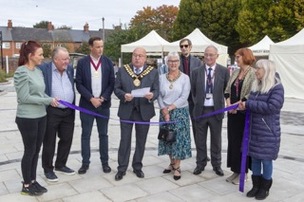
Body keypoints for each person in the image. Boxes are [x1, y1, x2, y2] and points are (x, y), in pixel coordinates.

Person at [14, 41, 58, 195]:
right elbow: (24, 97)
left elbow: (40, 94)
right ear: (30, 56)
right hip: (27, 118)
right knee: (29, 150)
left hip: (41, 116)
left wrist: (51, 98)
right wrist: (47, 100)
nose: (42, 57)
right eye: (40, 54)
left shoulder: (38, 72)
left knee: (36, 150)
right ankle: (26, 185)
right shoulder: (21, 72)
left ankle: (32, 180)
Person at [239, 59, 284, 200]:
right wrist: (243, 107)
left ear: (267, 70)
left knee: (266, 160)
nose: (256, 71)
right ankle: (256, 186)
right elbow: (251, 107)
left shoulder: (277, 87)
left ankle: (265, 188)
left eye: (259, 68)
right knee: (255, 159)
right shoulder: (256, 85)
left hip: (268, 131)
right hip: (254, 130)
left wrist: (249, 103)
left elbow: (272, 107)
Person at [114, 47, 159, 181]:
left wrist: (152, 96)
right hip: (126, 110)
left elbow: (157, 90)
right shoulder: (123, 70)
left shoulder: (153, 72)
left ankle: (137, 166)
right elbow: (116, 88)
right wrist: (123, 95)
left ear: (145, 58)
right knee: (124, 140)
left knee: (141, 141)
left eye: (140, 56)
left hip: (144, 112)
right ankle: (121, 168)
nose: (137, 58)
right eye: (135, 55)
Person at [75, 37, 115, 174]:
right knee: (86, 135)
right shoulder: (82, 63)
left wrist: (103, 98)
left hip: (103, 105)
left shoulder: (108, 62)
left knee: (103, 134)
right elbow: (78, 83)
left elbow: (111, 83)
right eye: (97, 47)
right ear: (91, 47)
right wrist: (91, 98)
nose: (100, 49)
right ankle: (85, 163)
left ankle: (105, 162)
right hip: (87, 105)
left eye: (102, 46)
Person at [190, 45, 230, 176]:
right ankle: (200, 164)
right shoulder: (196, 71)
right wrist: (198, 103)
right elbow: (193, 91)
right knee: (200, 139)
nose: (208, 57)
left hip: (216, 111)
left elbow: (226, 90)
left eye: (211, 55)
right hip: (200, 111)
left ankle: (216, 164)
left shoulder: (224, 71)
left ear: (217, 56)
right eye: (206, 54)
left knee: (216, 140)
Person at [39, 47, 75, 182]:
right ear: (55, 59)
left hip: (68, 111)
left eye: (68, 58)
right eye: (64, 59)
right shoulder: (44, 69)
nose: (67, 62)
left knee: (67, 138)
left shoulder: (69, 69)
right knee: (49, 141)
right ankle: (48, 169)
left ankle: (61, 164)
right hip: (51, 111)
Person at [157, 52, 192, 180]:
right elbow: (159, 95)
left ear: (179, 62)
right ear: (167, 63)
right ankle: (171, 163)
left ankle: (177, 167)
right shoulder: (161, 77)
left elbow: (184, 96)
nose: (173, 63)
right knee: (167, 138)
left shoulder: (185, 78)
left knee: (178, 140)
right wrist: (164, 110)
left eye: (175, 61)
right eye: (171, 61)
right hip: (164, 111)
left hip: (179, 112)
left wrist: (170, 108)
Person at [224, 48, 256, 184]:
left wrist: (238, 104)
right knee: (233, 142)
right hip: (232, 114)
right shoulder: (236, 72)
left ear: (245, 57)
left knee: (243, 143)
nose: (236, 59)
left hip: (244, 114)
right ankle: (235, 170)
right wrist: (229, 104)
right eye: (236, 56)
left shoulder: (253, 74)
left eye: (238, 56)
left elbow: (252, 93)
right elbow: (227, 90)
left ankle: (244, 172)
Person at [179, 38, 202, 143]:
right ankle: (180, 150)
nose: (184, 48)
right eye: (182, 46)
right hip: (180, 98)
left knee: (197, 126)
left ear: (190, 47)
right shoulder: (176, 61)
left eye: (186, 46)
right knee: (180, 125)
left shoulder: (198, 62)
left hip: (193, 98)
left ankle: (201, 153)